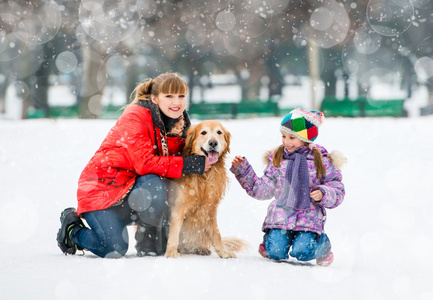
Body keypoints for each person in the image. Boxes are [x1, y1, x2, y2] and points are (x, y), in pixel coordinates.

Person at [57, 72, 212, 258]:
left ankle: (148, 239)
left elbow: (172, 166)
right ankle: (73, 230)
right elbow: (144, 164)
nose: (176, 102)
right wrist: (188, 164)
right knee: (113, 249)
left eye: (181, 96)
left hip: (132, 190)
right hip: (103, 189)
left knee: (159, 185)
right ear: (154, 98)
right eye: (169, 96)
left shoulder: (180, 125)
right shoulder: (135, 116)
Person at [230, 108, 345, 266]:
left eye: (292, 137)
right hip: (281, 218)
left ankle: (322, 246)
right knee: (276, 252)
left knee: (302, 252)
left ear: (305, 139)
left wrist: (324, 193)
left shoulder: (322, 161)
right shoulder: (279, 159)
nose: (286, 142)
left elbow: (337, 188)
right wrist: (243, 171)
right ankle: (272, 241)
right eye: (283, 136)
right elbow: (262, 189)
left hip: (308, 220)